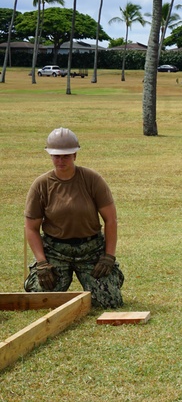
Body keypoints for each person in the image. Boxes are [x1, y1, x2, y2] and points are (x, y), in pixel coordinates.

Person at [24, 127, 124, 310]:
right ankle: (38, 280)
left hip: (90, 249)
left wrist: (108, 257)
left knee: (109, 301)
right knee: (39, 299)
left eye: (66, 156)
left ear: (75, 155)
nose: (61, 160)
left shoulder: (92, 179)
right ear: (50, 156)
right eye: (56, 156)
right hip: (55, 250)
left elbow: (111, 220)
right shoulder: (41, 185)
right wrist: (42, 263)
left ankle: (111, 280)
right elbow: (31, 228)